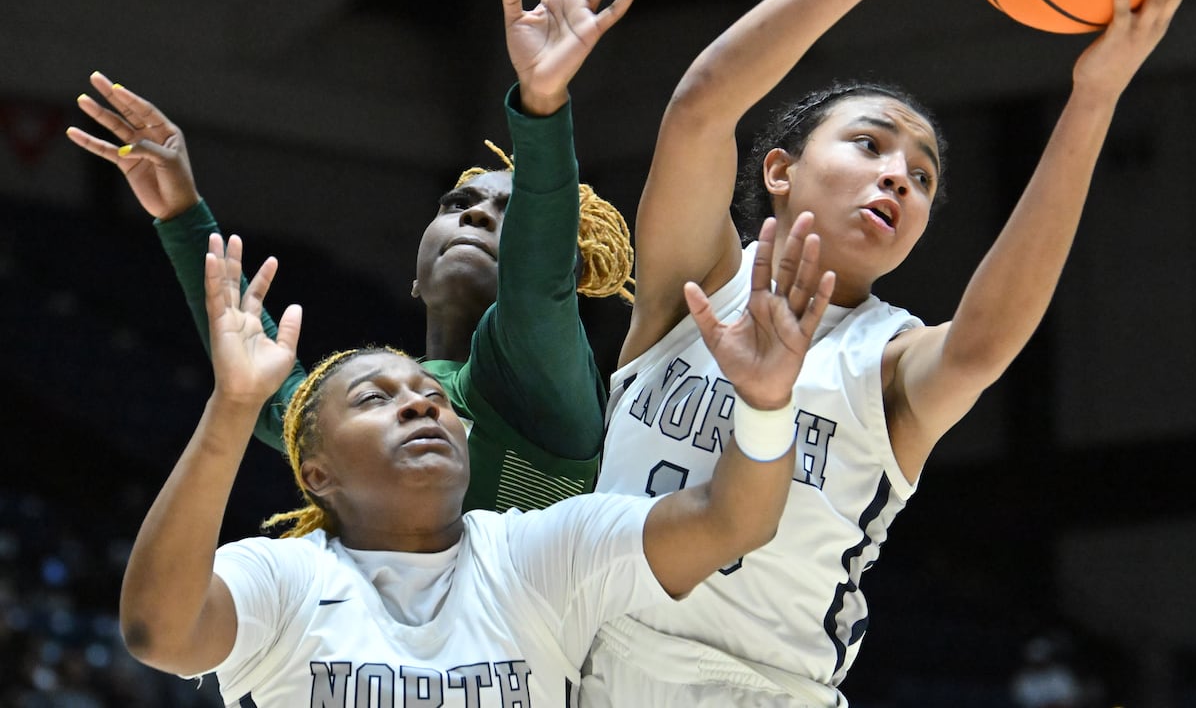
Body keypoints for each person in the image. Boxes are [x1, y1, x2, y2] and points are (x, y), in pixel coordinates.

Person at [581, 0, 1196, 707]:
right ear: (779, 171)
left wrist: (1095, 97)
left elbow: (988, 340)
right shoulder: (695, 288)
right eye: (868, 144)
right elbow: (702, 107)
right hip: (591, 671)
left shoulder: (888, 365)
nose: (898, 177)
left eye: (921, 176)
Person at [117, 212, 835, 705]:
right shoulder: (286, 577)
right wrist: (233, 410)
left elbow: (730, 521)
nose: (420, 404)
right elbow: (159, 631)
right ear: (316, 473)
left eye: (432, 395)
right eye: (373, 398)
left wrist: (768, 402)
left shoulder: (539, 554)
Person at [67, 0, 639, 513]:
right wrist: (181, 213)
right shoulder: (378, 403)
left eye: (512, 211)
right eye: (458, 202)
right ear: (414, 275)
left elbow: (537, 277)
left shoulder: (539, 373)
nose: (476, 215)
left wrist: (544, 101)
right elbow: (266, 390)